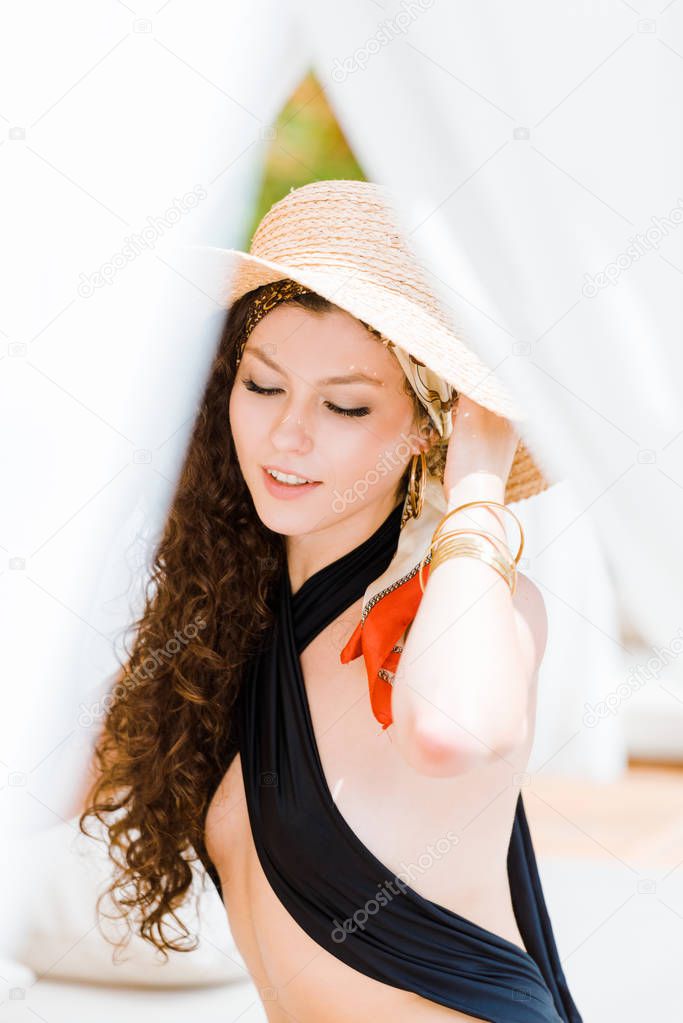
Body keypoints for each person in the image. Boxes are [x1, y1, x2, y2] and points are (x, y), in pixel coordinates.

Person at [78, 179, 583, 1022]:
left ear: (428, 430)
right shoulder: (221, 633)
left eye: (345, 403)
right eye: (263, 386)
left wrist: (479, 483)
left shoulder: (469, 609)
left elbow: (450, 730)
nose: (287, 436)